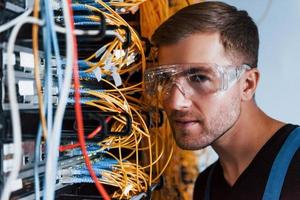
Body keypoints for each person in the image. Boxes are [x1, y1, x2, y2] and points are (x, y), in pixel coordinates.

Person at [144, 1, 300, 200]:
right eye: (165, 79)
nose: (175, 102)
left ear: (247, 85)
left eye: (199, 77)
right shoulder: (205, 186)